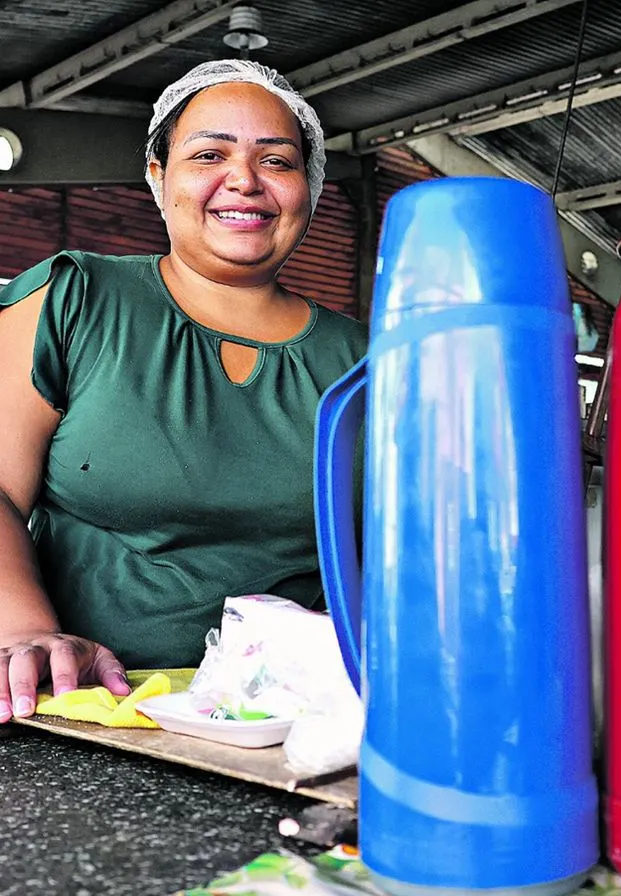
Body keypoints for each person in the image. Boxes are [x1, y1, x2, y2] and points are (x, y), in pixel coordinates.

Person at [0, 61, 366, 723]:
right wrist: (23, 631)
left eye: (277, 161)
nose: (244, 180)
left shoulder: (363, 360)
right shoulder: (75, 299)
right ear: (158, 175)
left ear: (307, 188)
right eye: (209, 153)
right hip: (74, 701)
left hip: (286, 720)